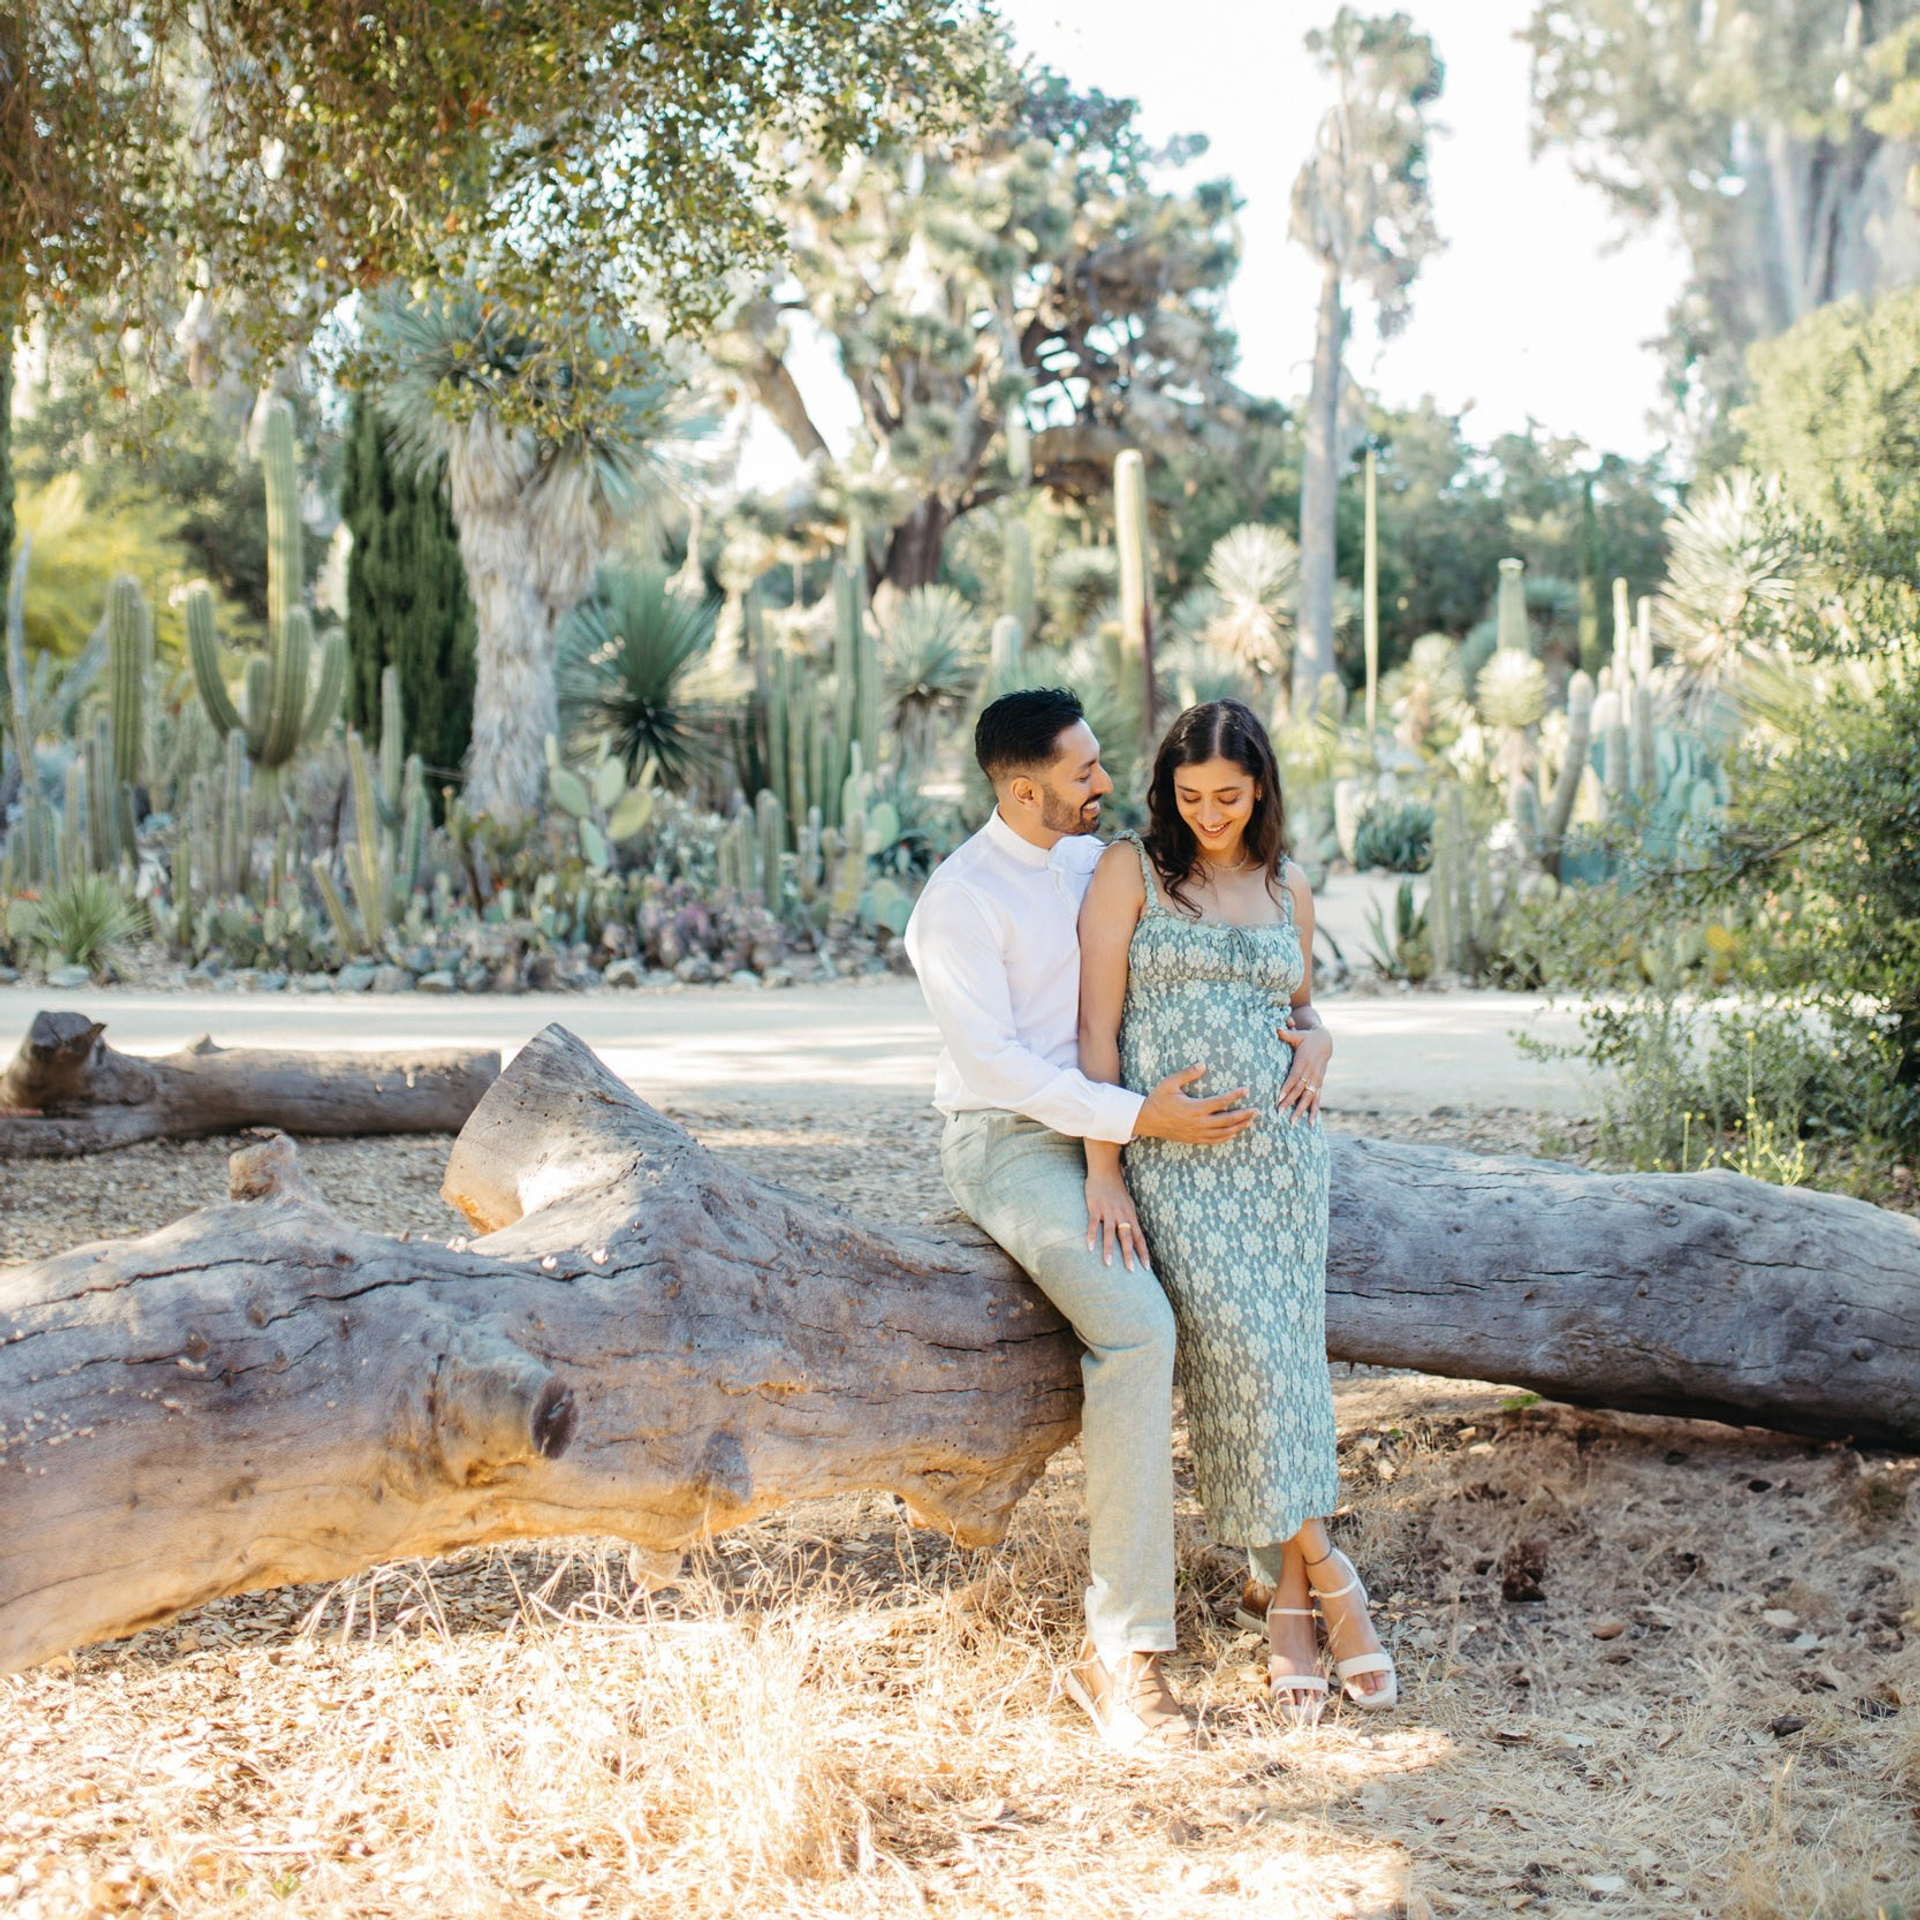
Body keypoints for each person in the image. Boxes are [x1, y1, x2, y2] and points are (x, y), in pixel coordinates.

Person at [903, 687, 1275, 1752]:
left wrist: (1312, 1035)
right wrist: (1125, 1127)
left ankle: (1276, 1571)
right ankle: (1125, 1658)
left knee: (1226, 1287)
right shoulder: (957, 904)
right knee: (1138, 1327)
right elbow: (1002, 1070)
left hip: (1129, 1123)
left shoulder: (1092, 860)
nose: (1104, 784)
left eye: (1099, 765)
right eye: (1082, 773)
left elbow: (1235, 930)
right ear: (1022, 790)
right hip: (1012, 1139)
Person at [1077, 697, 1397, 1725]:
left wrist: (1323, 1042)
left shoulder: (1287, 882)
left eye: (1228, 795)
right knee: (1238, 1359)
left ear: (1260, 788)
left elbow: (1297, 1011)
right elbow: (1095, 1034)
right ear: (1166, 792)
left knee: (1287, 1357)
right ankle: (1327, 1570)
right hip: (1178, 1165)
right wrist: (1107, 1168)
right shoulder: (1134, 870)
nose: (1208, 813)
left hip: (1284, 1164)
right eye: (1189, 795)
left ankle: (1292, 1610)